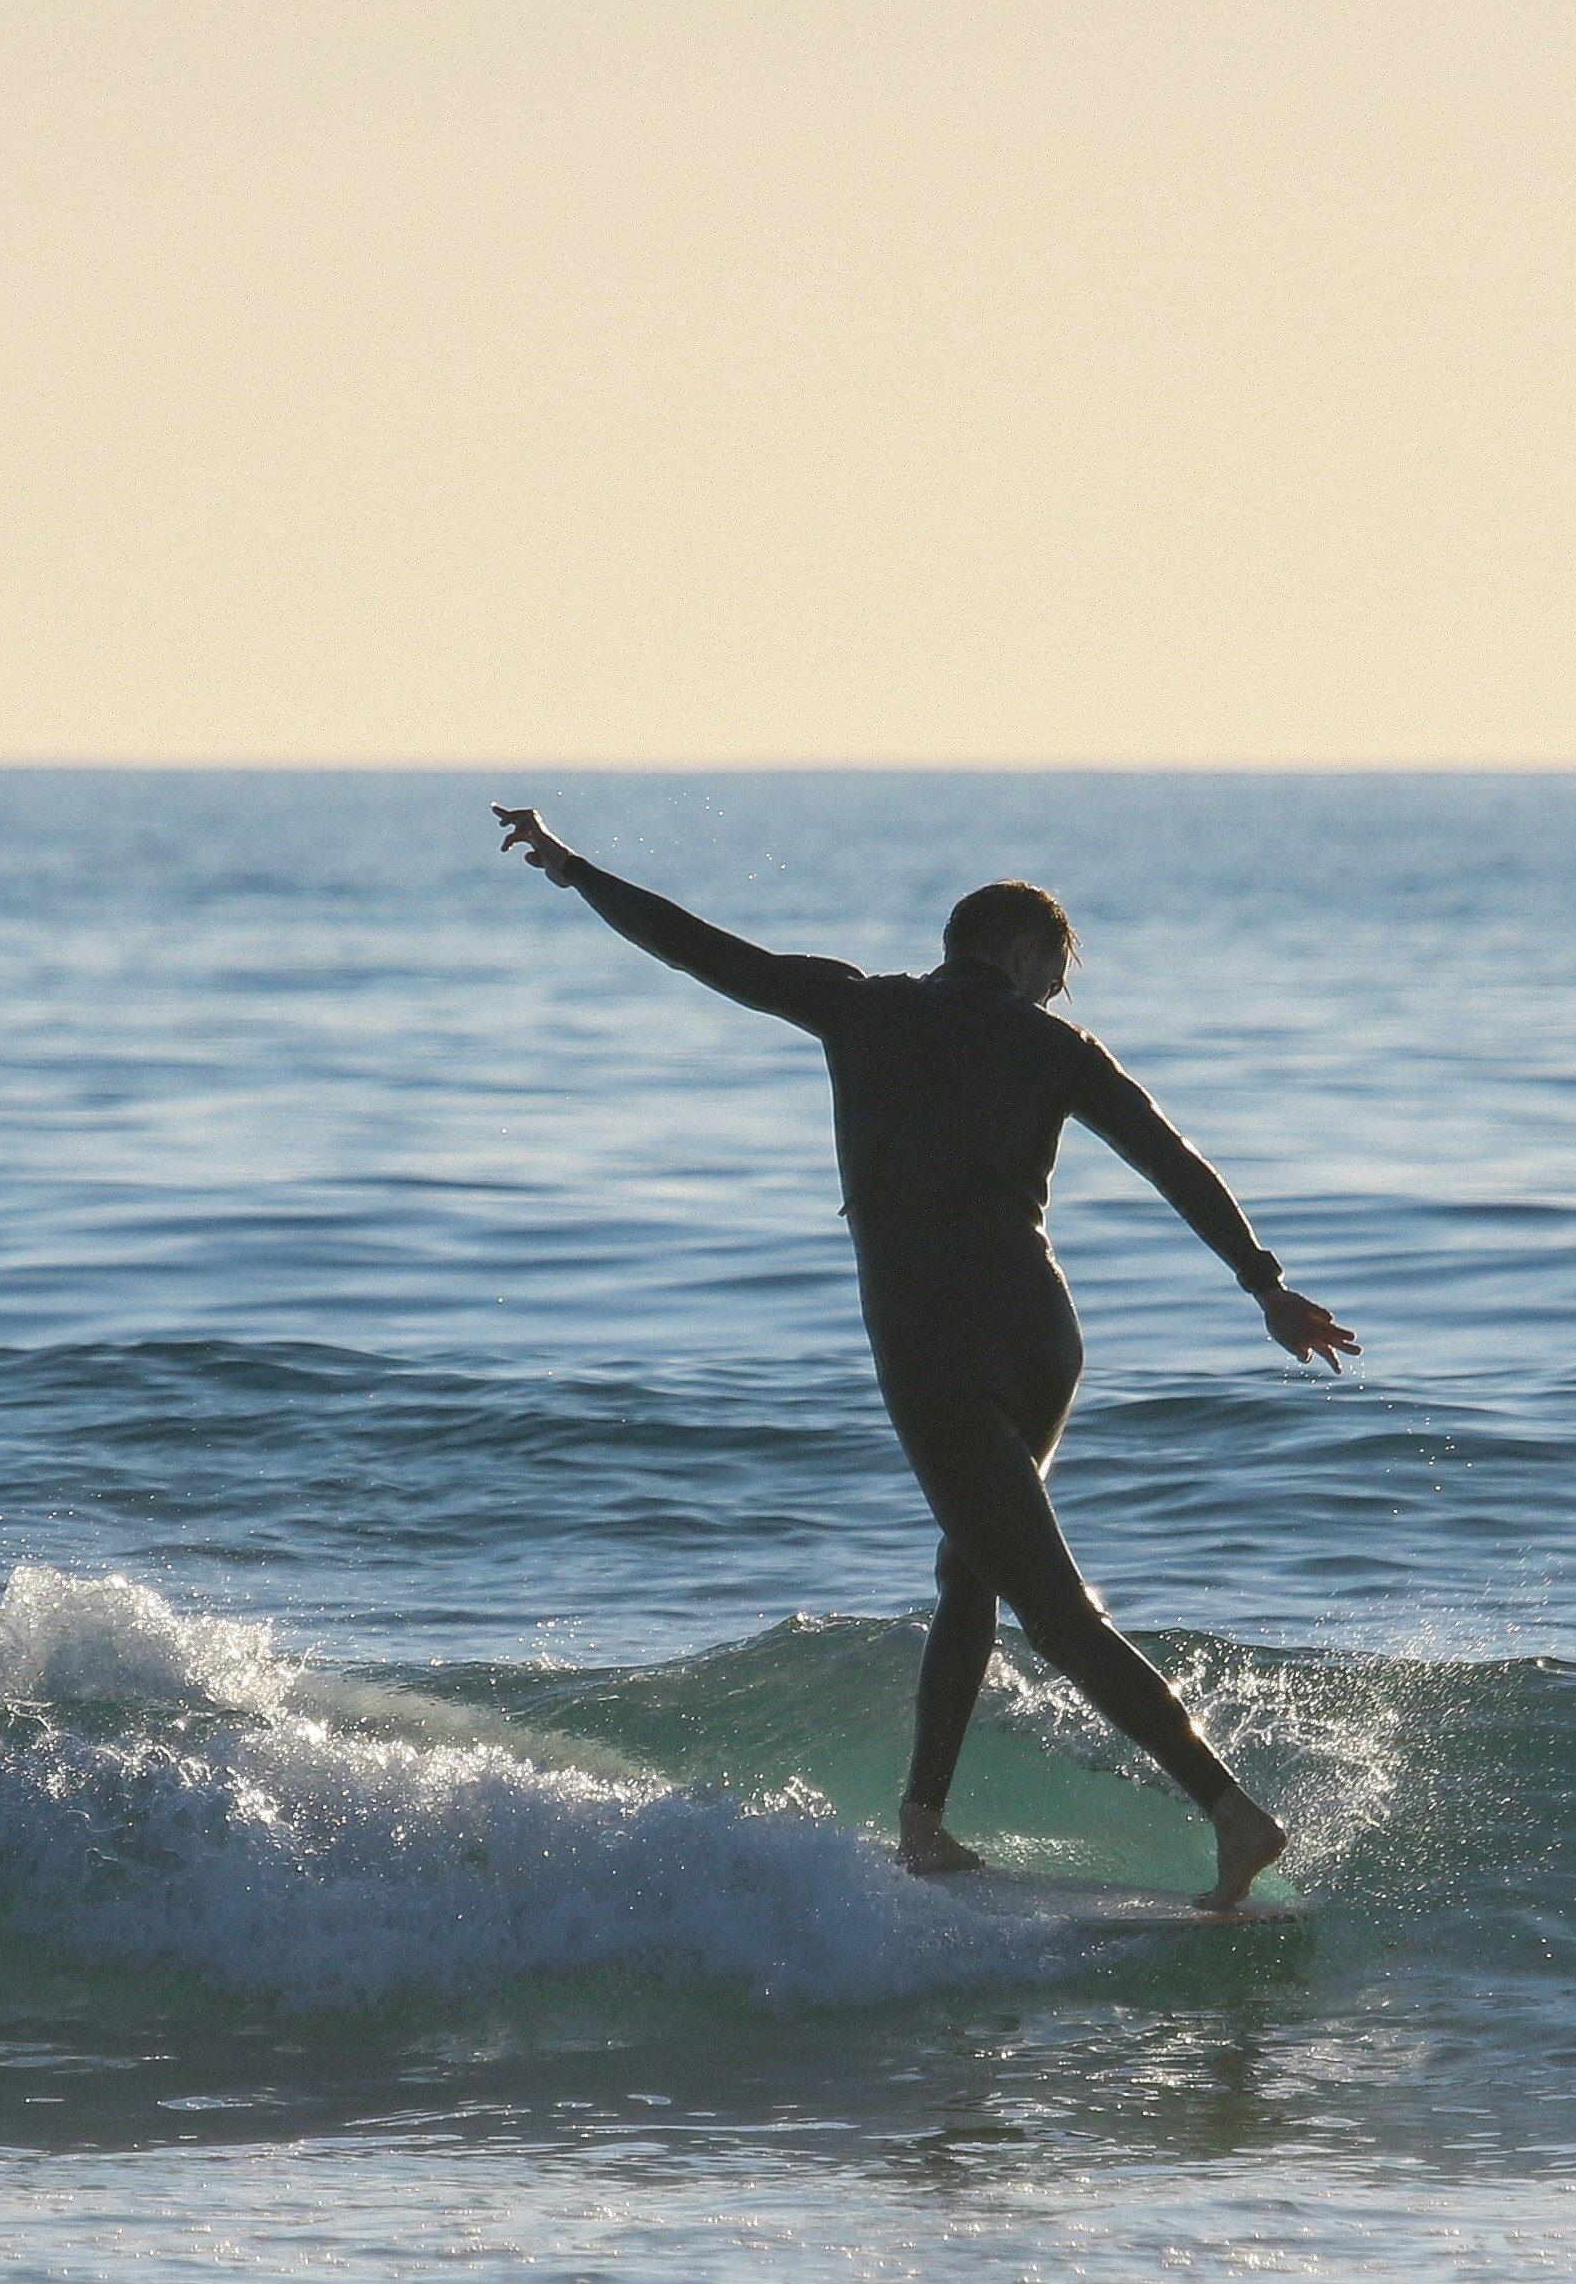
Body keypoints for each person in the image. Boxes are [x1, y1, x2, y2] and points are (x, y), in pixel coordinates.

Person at [494, 804, 1357, 1912]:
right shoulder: (1056, 1046)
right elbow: (1168, 1156)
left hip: (933, 1340)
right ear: (1020, 949)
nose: (1059, 989)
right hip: (1041, 1333)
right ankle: (925, 1824)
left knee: (1049, 1607)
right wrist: (1263, 1282)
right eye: (1058, 966)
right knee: (973, 1564)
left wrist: (574, 868)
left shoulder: (856, 1008)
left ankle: (1230, 1810)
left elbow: (700, 948)